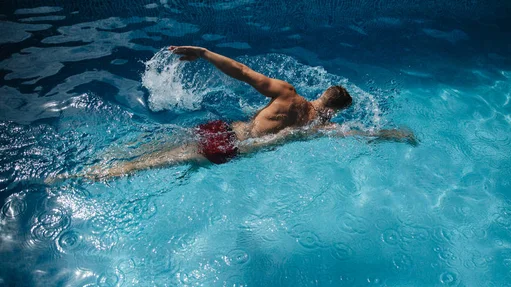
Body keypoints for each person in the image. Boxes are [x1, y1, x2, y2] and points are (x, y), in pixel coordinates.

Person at [52, 46, 416, 181]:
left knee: (151, 148)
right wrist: (392, 134)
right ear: (335, 110)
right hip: (232, 150)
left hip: (225, 129)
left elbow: (242, 72)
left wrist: (205, 53)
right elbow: (355, 135)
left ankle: (88, 167)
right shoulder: (316, 125)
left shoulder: (287, 94)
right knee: (151, 164)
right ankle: (82, 176)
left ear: (324, 93)